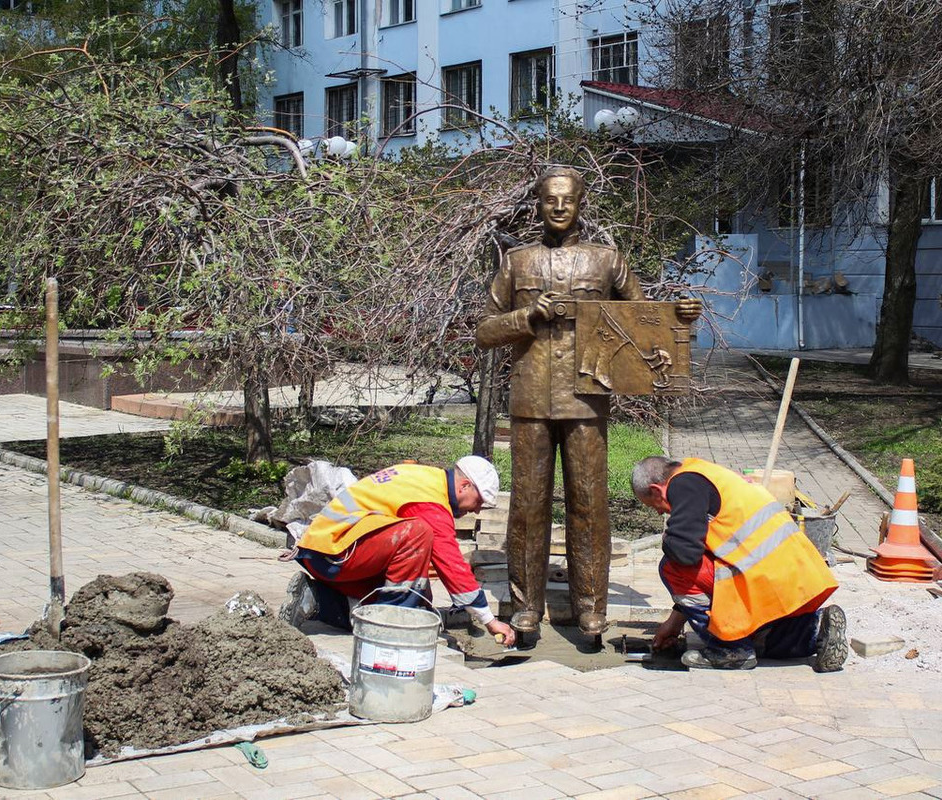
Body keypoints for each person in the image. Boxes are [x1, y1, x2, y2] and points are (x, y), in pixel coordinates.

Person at [475, 166, 701, 640]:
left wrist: (680, 316)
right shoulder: (517, 262)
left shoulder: (606, 261)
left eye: (568, 200)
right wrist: (528, 315)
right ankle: (526, 607)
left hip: (588, 399)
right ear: (537, 204)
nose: (559, 208)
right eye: (550, 200)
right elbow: (485, 331)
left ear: (581, 204)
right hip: (531, 400)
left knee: (589, 505)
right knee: (529, 507)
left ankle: (590, 606)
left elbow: (647, 321)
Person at [631, 455, 848, 671]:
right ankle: (816, 629)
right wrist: (674, 622)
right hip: (798, 578)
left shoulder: (684, 484)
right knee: (760, 638)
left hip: (763, 579)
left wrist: (668, 538)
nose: (660, 511)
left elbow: (685, 554)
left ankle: (729, 649)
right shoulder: (704, 472)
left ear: (656, 489)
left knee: (671, 567)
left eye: (653, 506)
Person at [280, 455, 516, 646]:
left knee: (403, 602)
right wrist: (488, 619)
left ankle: (315, 599)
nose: (476, 511)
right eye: (479, 502)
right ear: (465, 486)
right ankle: (393, 627)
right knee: (418, 534)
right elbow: (450, 563)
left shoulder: (423, 477)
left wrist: (422, 606)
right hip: (336, 551)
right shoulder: (430, 500)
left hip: (329, 549)